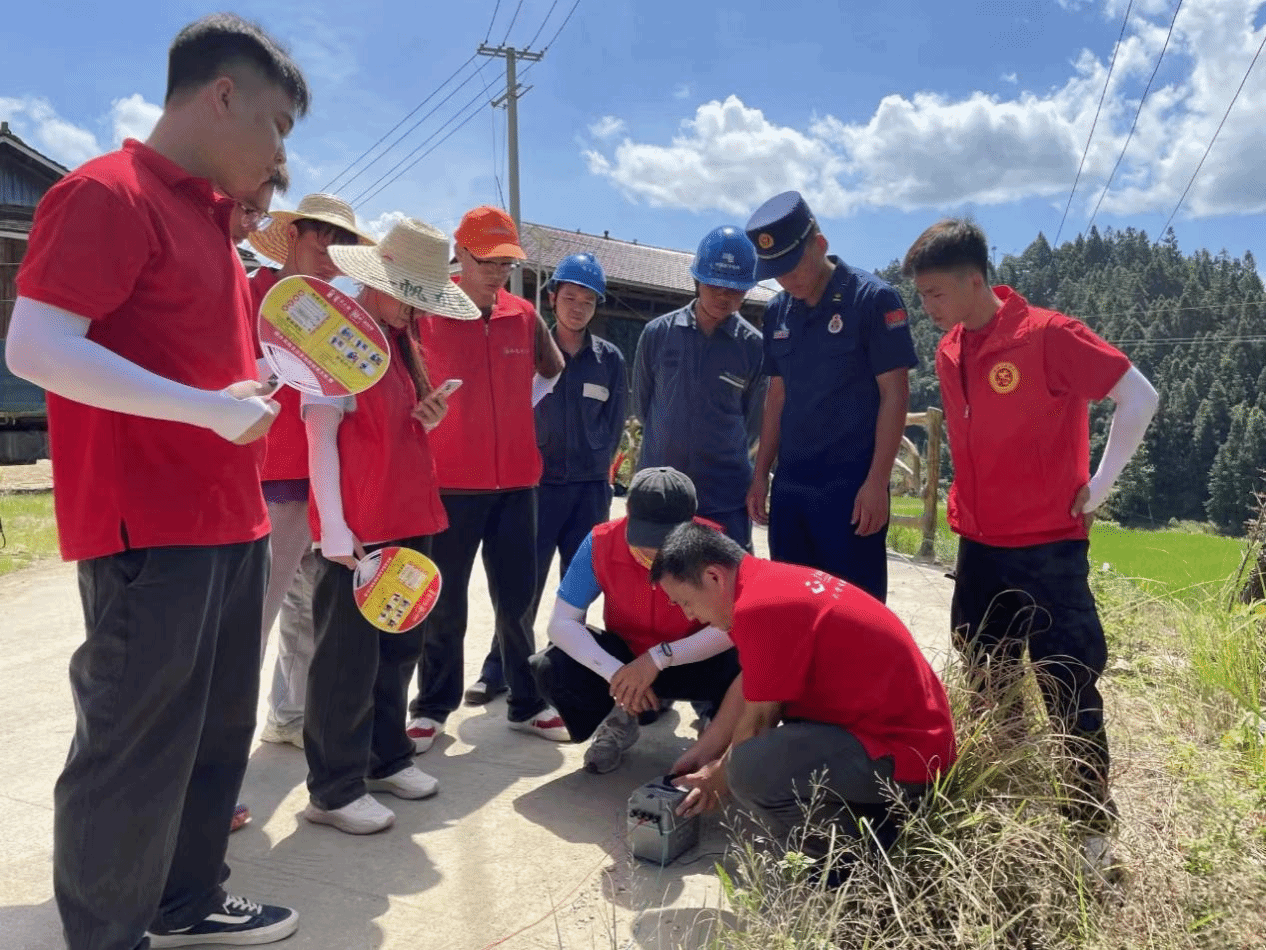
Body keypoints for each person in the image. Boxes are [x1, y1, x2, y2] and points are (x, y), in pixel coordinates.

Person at [5, 13, 307, 948]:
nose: (278, 154)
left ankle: (186, 898)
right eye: (275, 125)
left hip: (229, 516)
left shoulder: (211, 224)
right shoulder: (108, 193)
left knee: (214, 732)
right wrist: (205, 409)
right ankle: (107, 933)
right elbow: (36, 346)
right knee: (133, 744)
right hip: (150, 524)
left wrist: (236, 399)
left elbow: (185, 365)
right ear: (223, 94)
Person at [901, 218, 1158, 873]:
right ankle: (1011, 808)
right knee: (988, 682)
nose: (927, 308)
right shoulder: (951, 350)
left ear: (974, 281)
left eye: (935, 294)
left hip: (1048, 551)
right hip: (979, 550)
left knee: (1068, 688)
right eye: (922, 296)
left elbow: (1139, 395)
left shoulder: (1048, 335)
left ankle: (1091, 835)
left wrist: (1099, 486)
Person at [300, 218, 479, 835]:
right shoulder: (337, 333)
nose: (414, 308)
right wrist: (332, 525)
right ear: (378, 280)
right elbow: (319, 432)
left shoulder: (402, 340)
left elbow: (390, 427)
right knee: (346, 659)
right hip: (360, 527)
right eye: (407, 295)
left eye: (421, 298)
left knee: (399, 646)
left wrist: (428, 417)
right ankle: (333, 789)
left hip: (407, 514)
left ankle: (385, 757)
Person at [650, 523, 956, 868]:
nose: (689, 615)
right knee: (752, 759)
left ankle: (854, 855)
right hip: (906, 739)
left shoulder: (758, 608)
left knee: (750, 769)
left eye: (686, 602)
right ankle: (864, 816)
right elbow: (750, 682)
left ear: (713, 577)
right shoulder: (760, 584)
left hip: (906, 754)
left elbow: (757, 725)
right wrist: (705, 750)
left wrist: (715, 778)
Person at [408, 205, 568, 751]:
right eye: (487, 261)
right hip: (450, 484)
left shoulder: (523, 314)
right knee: (444, 604)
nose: (497, 273)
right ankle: (432, 708)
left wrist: (518, 412)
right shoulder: (426, 311)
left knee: (517, 602)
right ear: (460, 253)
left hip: (518, 484)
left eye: (506, 263)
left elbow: (552, 371)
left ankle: (527, 703)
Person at [247, 193, 376, 750]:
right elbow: (225, 376)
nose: (329, 258)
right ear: (292, 236)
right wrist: (276, 367)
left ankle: (288, 715)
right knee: (252, 617)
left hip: (320, 483)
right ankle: (213, 747)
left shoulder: (336, 316)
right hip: (264, 480)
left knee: (304, 610)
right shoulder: (249, 295)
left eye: (340, 249)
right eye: (320, 242)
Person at [469, 253, 627, 704]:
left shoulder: (609, 360)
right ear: (553, 297)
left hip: (589, 491)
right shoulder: (529, 351)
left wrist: (599, 465)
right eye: (570, 297)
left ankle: (561, 675)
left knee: (579, 589)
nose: (578, 308)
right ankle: (498, 669)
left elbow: (615, 421)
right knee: (523, 586)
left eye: (588, 301)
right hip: (537, 489)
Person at [744, 192, 917, 603]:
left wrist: (877, 482)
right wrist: (760, 473)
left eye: (792, 266)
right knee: (791, 605)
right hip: (792, 487)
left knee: (853, 609)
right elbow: (776, 397)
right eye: (776, 272)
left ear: (820, 245)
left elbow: (895, 395)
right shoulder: (778, 312)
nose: (786, 280)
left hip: (851, 490)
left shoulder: (872, 300)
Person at [531, 467, 743, 775]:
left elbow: (734, 624)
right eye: (646, 541)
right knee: (552, 665)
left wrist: (659, 658)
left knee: (748, 655)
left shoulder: (716, 545)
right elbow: (561, 623)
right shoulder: (599, 542)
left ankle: (717, 726)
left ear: (691, 523)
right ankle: (619, 718)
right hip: (627, 659)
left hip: (693, 660)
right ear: (628, 514)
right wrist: (618, 674)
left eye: (667, 543)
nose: (654, 555)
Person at [633, 226, 765, 549]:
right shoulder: (658, 334)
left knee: (724, 576)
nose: (724, 296)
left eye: (735, 289)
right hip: (661, 494)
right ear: (697, 281)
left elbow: (753, 423)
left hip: (724, 497)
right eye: (715, 284)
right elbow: (642, 406)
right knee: (656, 575)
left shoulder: (754, 348)